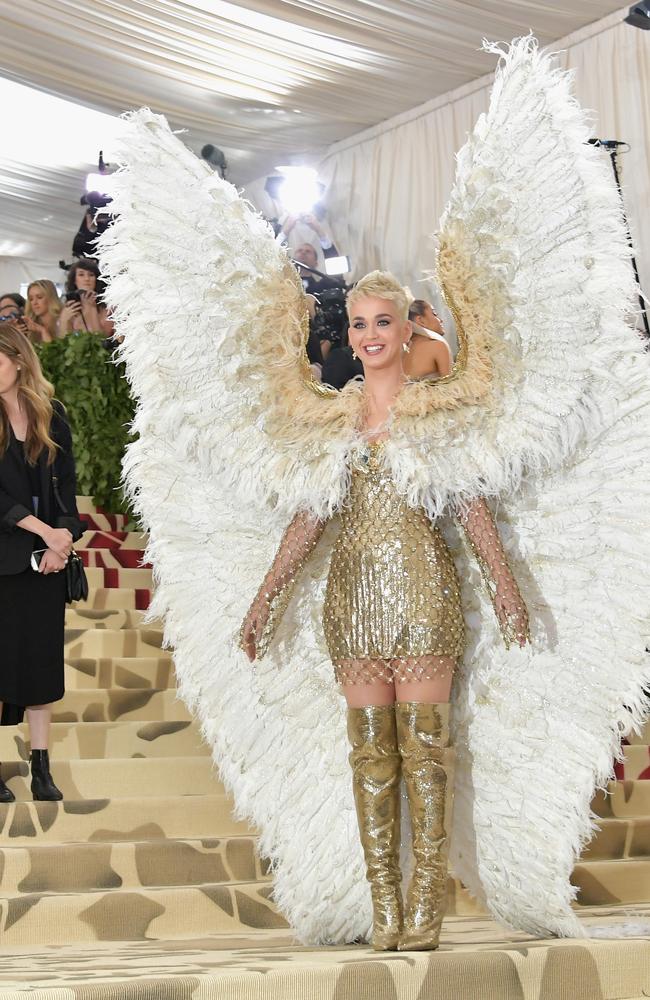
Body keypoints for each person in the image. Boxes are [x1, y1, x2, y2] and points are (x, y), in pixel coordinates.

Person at [240, 271, 529, 951]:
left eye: (382, 323)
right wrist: (264, 599)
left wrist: (505, 586)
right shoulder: (332, 421)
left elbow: (470, 506)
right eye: (359, 325)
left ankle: (428, 906)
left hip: (426, 590)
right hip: (351, 599)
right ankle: (385, 909)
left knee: (426, 753)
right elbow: (308, 521)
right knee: (372, 756)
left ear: (407, 331)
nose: (369, 336)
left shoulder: (434, 413)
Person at [0, 323, 84, 802]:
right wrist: (44, 532)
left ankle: (41, 768)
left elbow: (66, 493)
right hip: (4, 558)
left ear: (18, 360)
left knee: (40, 667)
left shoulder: (51, 416)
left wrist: (64, 539)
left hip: (46, 565)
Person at [58, 258, 114, 337]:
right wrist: (64, 321)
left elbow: (102, 339)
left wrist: (92, 309)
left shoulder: (107, 308)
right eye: (81, 275)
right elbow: (63, 341)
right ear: (74, 280)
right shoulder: (69, 308)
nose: (87, 279)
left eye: (91, 275)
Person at [406, 299, 452, 379]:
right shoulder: (437, 346)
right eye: (435, 314)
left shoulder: (401, 354)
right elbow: (454, 387)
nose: (441, 320)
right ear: (420, 320)